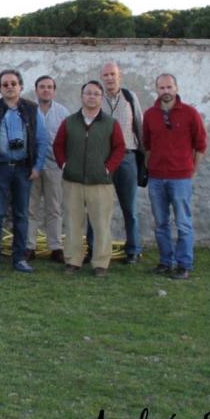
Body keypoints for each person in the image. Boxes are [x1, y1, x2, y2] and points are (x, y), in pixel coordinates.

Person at [54, 81, 126, 277]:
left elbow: (120, 148)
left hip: (100, 182)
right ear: (82, 96)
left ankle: (100, 263)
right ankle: (73, 260)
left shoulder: (111, 123)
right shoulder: (69, 122)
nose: (91, 96)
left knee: (101, 224)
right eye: (88, 93)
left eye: (96, 93)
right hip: (73, 181)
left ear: (101, 98)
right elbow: (58, 145)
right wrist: (64, 165)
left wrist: (107, 168)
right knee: (72, 222)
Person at [142, 74, 208, 280]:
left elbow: (201, 145)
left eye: (169, 87)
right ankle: (165, 261)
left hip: (180, 178)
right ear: (157, 90)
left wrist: (191, 170)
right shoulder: (150, 115)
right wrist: (150, 167)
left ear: (176, 88)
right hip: (156, 178)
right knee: (161, 223)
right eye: (161, 88)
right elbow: (147, 145)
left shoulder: (190, 113)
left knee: (183, 223)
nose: (166, 91)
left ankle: (184, 264)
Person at [0, 70, 49, 274]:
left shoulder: (31, 109)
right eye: (5, 84)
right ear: (0, 88)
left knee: (22, 215)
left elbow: (42, 139)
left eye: (13, 83)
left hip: (23, 169)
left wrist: (37, 167)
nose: (9, 87)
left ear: (20, 86)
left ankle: (19, 258)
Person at [93, 61, 146, 264]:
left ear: (119, 76)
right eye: (105, 75)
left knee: (129, 208)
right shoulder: (96, 98)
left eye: (112, 74)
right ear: (102, 77)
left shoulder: (130, 98)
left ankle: (133, 249)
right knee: (98, 207)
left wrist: (143, 158)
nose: (109, 78)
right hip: (102, 158)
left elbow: (139, 126)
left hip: (126, 157)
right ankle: (95, 248)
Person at [28, 74, 69, 263]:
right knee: (30, 208)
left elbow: (68, 140)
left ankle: (56, 247)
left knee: (54, 208)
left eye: (49, 87)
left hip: (54, 165)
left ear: (54, 90)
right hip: (32, 166)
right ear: (36, 90)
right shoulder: (28, 110)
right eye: (42, 86)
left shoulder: (62, 112)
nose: (46, 90)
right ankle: (29, 246)